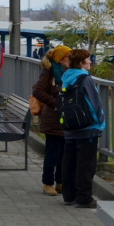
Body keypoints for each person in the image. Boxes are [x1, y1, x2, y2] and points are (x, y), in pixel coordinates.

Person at [60, 49, 105, 209]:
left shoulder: (66, 77)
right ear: (81, 63)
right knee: (85, 164)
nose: (90, 62)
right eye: (88, 59)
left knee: (69, 161)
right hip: (87, 128)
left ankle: (69, 195)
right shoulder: (85, 79)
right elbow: (94, 102)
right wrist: (99, 122)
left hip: (71, 126)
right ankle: (84, 198)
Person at [31, 45, 71, 196]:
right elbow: (37, 91)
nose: (70, 59)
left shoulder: (68, 72)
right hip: (52, 119)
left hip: (65, 120)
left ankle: (60, 182)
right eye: (68, 57)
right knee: (52, 153)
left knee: (64, 154)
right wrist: (55, 103)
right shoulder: (50, 73)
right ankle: (47, 183)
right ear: (60, 59)